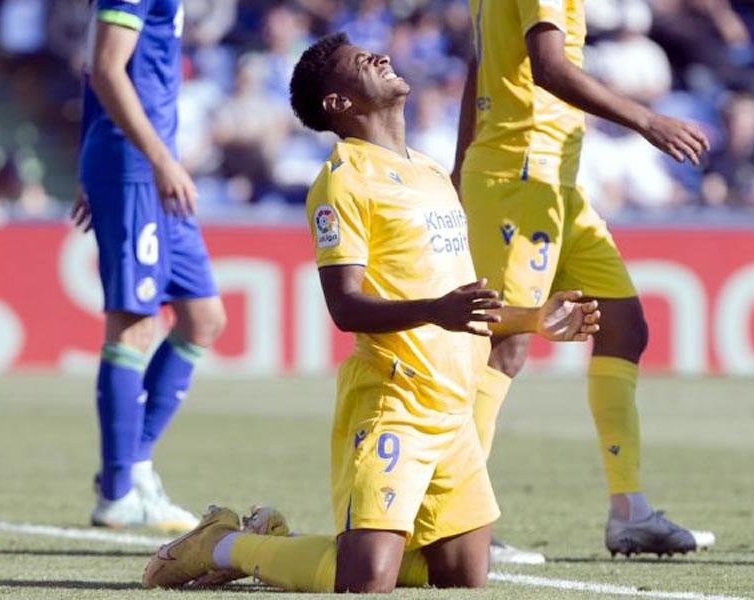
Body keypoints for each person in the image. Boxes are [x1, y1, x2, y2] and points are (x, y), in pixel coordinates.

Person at [141, 32, 601, 593]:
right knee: (364, 583)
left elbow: (463, 305)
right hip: (395, 400)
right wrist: (437, 309)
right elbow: (345, 306)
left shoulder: (431, 173)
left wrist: (533, 319)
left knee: (461, 577)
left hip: (452, 406)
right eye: (363, 62)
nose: (382, 57)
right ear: (340, 104)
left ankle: (279, 542)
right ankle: (224, 545)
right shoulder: (343, 181)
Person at [451, 0, 716, 558]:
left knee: (623, 325)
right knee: (504, 344)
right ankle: (457, 518)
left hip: (554, 181)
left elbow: (481, 61)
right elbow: (548, 67)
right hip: (518, 167)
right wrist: (647, 119)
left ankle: (629, 514)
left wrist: (459, 164)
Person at [73, 0, 225, 532]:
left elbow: (96, 68)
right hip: (140, 164)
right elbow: (108, 67)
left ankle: (132, 466)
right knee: (135, 325)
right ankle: (117, 492)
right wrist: (157, 160)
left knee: (203, 317)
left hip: (141, 159)